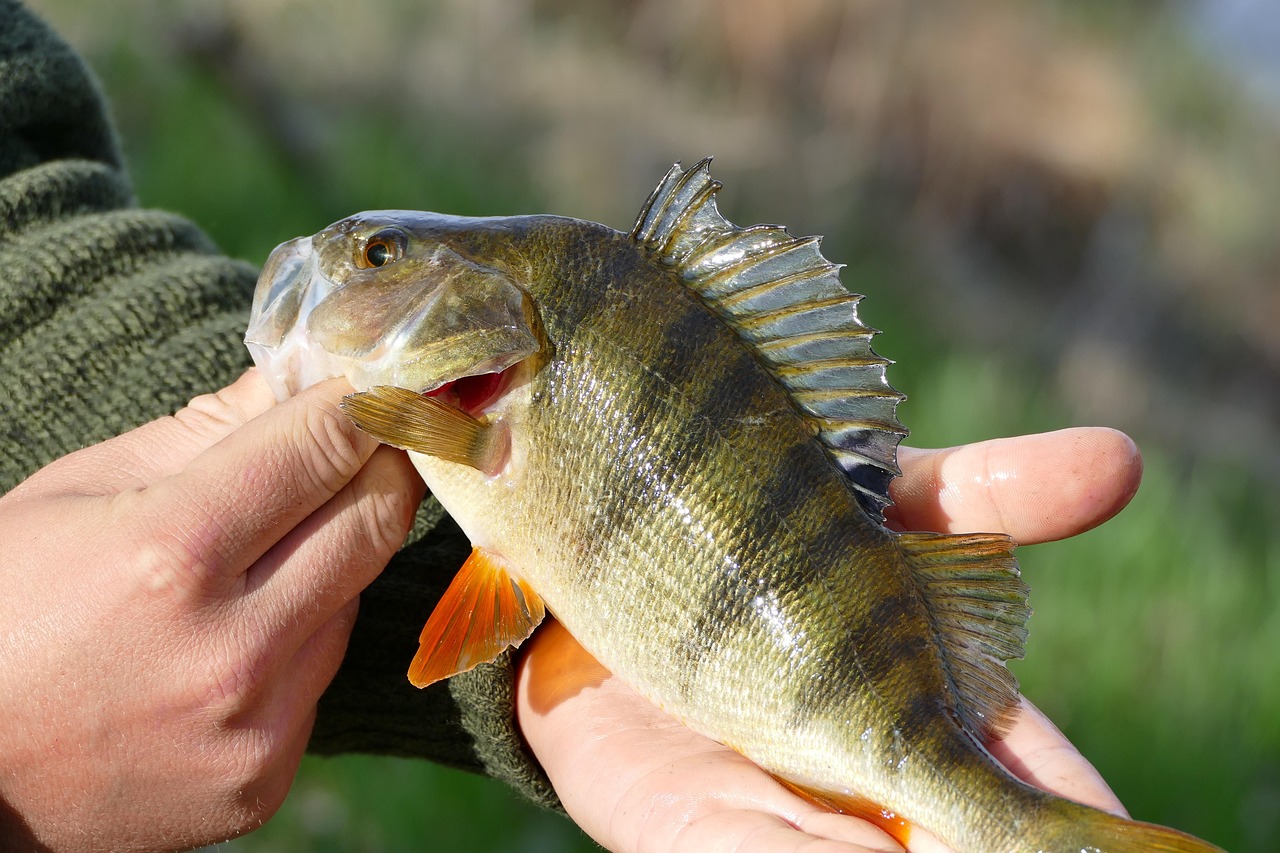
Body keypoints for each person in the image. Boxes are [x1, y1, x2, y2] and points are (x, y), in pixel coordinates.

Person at [0, 3, 1139, 851]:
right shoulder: (472, 394)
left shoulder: (472, 399)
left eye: (381, 258)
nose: (347, 266)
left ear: (487, 326)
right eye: (376, 257)